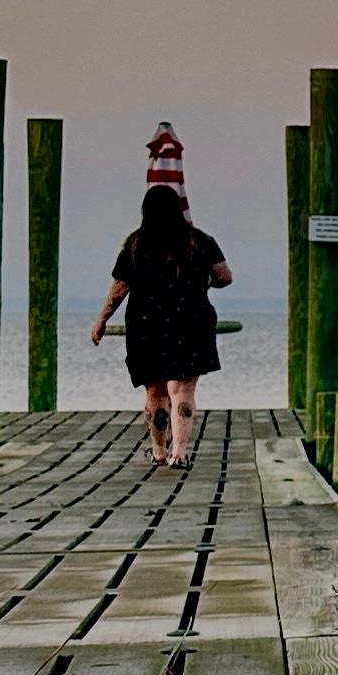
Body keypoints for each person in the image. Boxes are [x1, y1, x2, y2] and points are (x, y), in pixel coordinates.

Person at [93, 185, 233, 466]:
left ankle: (158, 452)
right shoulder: (200, 241)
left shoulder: (135, 244)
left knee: (155, 391)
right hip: (191, 322)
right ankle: (179, 452)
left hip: (147, 325)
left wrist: (102, 320)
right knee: (183, 391)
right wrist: (203, 281)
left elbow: (120, 287)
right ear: (178, 209)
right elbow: (224, 276)